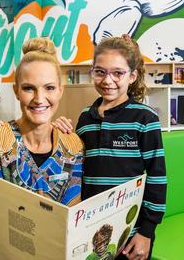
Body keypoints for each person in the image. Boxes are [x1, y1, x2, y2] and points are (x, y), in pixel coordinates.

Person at [56, 35, 166, 260]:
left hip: (130, 232)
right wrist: (60, 133)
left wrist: (147, 232)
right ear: (93, 72)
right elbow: (78, 166)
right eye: (100, 71)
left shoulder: (145, 117)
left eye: (118, 73)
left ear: (132, 76)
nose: (108, 80)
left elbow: (157, 177)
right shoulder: (85, 117)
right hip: (90, 228)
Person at [0, 37, 84, 257]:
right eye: (29, 88)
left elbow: (72, 215)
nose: (39, 98)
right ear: (16, 91)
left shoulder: (73, 145)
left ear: (61, 90)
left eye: (49, 88)